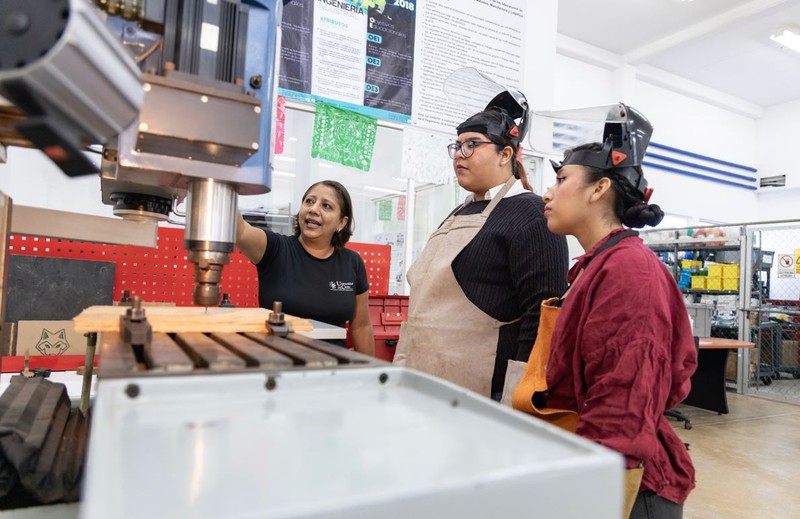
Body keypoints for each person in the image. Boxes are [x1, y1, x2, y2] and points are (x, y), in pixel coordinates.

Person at [539, 105, 697, 517]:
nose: (547, 193)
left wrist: (591, 488)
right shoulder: (597, 265)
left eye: (560, 180)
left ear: (598, 188)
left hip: (626, 487)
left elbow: (625, 398)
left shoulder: (629, 272)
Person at [393, 89, 569, 401]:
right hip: (425, 375)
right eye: (457, 146)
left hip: (485, 390)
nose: (460, 154)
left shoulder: (531, 214)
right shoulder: (458, 212)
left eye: (472, 145)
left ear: (506, 154)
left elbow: (541, 317)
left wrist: (518, 395)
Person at [236, 180, 374, 355]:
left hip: (332, 369)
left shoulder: (352, 262)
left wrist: (371, 373)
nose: (314, 209)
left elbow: (361, 325)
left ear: (341, 223)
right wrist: (221, 181)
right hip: (278, 366)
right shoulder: (275, 249)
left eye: (326, 206)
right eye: (309, 201)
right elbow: (240, 232)